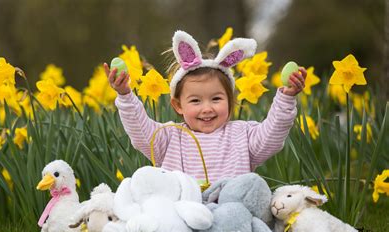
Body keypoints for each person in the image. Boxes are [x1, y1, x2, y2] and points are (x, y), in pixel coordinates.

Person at [104, 30, 307, 185]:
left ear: (230, 100)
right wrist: (125, 95)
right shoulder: (170, 137)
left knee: (252, 190)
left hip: (230, 214)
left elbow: (272, 136)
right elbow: (140, 131)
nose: (207, 108)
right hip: (183, 214)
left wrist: (287, 99)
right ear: (178, 105)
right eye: (195, 101)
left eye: (216, 99)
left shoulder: (243, 135)